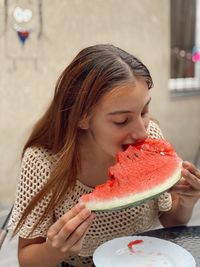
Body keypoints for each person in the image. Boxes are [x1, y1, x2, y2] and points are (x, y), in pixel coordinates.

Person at [9, 44, 200, 267]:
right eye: (121, 120)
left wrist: (187, 202)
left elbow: (171, 220)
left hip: (145, 260)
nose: (141, 131)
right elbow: (27, 259)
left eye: (144, 111)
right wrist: (54, 250)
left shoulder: (151, 136)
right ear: (82, 117)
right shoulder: (43, 161)